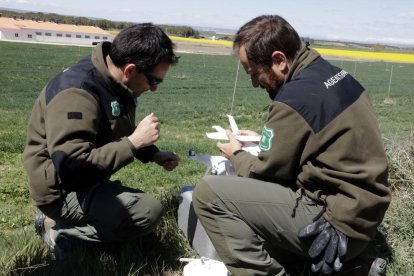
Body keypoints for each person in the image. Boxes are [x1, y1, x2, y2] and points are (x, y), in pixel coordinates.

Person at [192, 15, 391, 276]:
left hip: (333, 226)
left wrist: (236, 153)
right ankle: (350, 269)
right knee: (260, 241)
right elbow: (317, 138)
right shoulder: (334, 74)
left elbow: (263, 173)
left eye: (254, 73)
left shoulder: (294, 98)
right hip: (362, 214)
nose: (254, 83)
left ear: (279, 60)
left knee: (209, 193)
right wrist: (264, 138)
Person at [23, 23, 180, 259]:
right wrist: (134, 143)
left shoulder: (114, 82)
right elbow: (72, 169)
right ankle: (63, 235)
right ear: (130, 70)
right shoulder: (77, 94)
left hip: (82, 179)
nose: (154, 89)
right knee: (146, 212)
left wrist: (152, 153)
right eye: (153, 81)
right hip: (60, 189)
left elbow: (116, 127)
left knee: (136, 211)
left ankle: (62, 223)